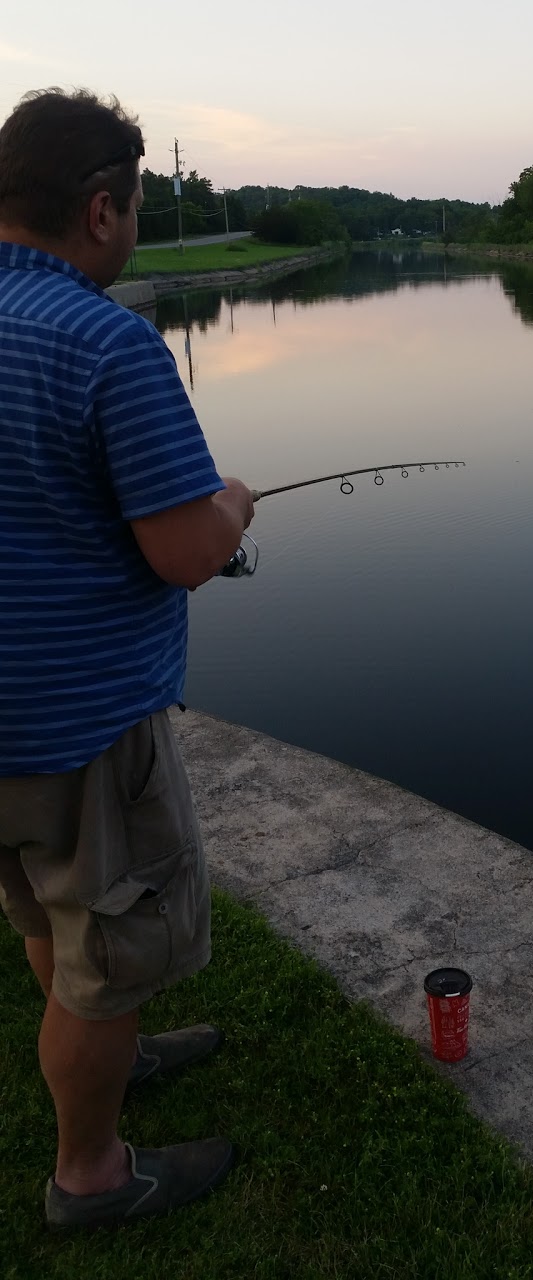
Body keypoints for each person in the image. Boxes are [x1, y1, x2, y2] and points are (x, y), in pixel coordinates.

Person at [0, 88, 256, 1229]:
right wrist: (234, 507)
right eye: (139, 205)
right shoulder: (107, 342)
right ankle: (90, 1174)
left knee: (46, 919)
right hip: (76, 729)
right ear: (102, 211)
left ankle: (112, 1055)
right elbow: (187, 552)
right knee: (104, 943)